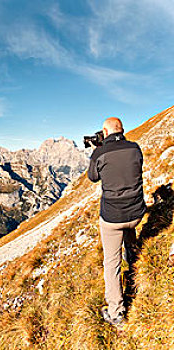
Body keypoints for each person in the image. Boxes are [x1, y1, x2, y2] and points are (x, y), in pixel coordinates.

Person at [87, 117, 146, 326]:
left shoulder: (100, 153)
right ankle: (137, 269)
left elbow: (93, 177)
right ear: (122, 129)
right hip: (137, 213)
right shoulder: (135, 147)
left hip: (113, 218)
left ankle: (116, 312)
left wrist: (97, 150)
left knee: (111, 262)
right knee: (130, 236)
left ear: (104, 132)